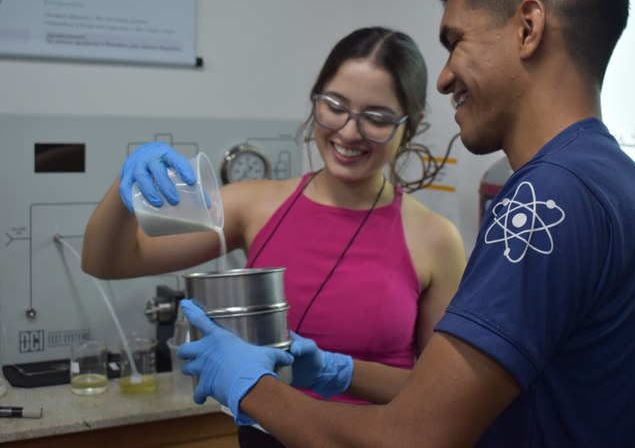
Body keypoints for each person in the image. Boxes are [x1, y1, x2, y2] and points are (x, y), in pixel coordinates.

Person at [176, 0, 635, 446]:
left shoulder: (545, 197)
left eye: (456, 41)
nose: (445, 77)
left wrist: (248, 384)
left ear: (528, 28)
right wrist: (339, 372)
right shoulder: (616, 178)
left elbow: (409, 439)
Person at [80, 27, 467, 446]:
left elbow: (443, 403)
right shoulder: (255, 206)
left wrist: (341, 371)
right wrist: (124, 187)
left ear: (410, 126)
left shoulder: (434, 239)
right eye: (335, 106)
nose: (349, 132)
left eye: (376, 118)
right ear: (315, 99)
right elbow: (107, 262)